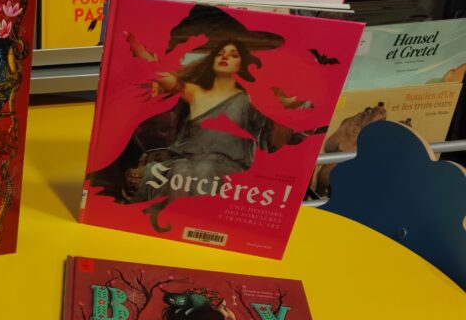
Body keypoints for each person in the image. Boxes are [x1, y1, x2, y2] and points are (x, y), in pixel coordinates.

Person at [87, 25, 322, 232]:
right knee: (181, 171)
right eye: (220, 53)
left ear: (242, 63)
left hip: (227, 167)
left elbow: (286, 105)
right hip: (188, 162)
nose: (224, 56)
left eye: (233, 54)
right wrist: (135, 44)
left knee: (197, 172)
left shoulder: (252, 98)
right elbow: (160, 74)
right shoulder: (195, 92)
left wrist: (299, 100)